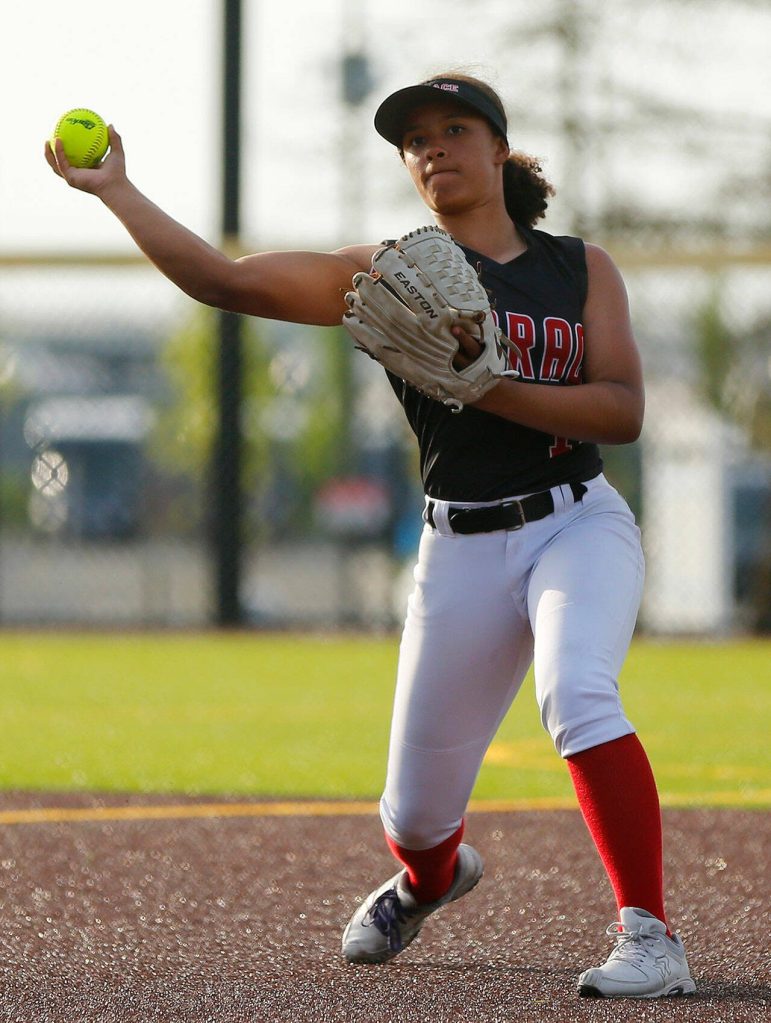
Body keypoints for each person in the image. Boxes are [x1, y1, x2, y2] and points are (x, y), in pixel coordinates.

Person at [46, 71, 695, 1000]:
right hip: (456, 548)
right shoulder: (387, 272)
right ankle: (432, 879)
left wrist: (492, 387)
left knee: (578, 691)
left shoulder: (578, 269)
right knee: (418, 817)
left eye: (455, 128)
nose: (434, 147)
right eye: (414, 138)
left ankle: (649, 934)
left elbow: (624, 411)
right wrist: (117, 190)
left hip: (574, 523)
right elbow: (222, 280)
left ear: (498, 149)